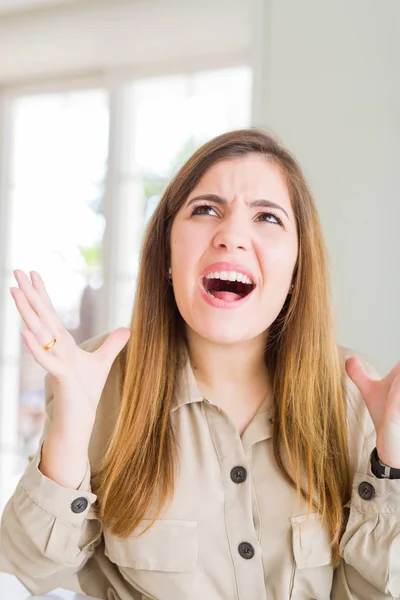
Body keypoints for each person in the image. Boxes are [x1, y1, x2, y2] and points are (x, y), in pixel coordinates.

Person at [1, 129, 400, 600]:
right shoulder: (99, 382)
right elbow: (29, 571)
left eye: (267, 217)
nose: (231, 236)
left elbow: (372, 588)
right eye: (205, 209)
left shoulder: (354, 392)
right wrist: (70, 426)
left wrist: (391, 464)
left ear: (297, 268)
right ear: (168, 254)